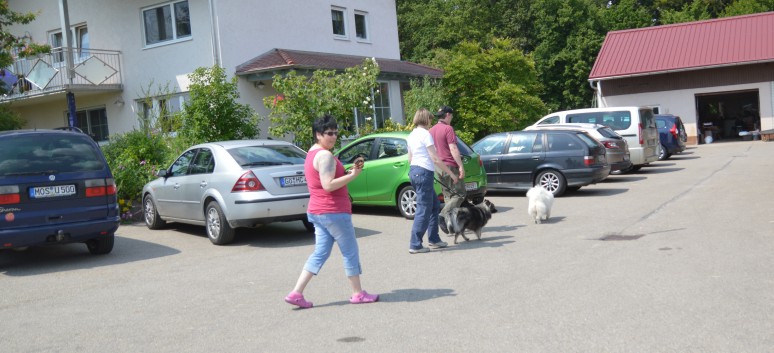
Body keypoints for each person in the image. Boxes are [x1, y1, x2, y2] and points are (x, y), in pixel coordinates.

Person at [284, 115, 378, 309]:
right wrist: (352, 175)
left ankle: (296, 293)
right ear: (318, 134)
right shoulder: (325, 156)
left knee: (320, 253)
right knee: (350, 251)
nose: (333, 136)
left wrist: (346, 173)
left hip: (318, 211)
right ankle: (357, 294)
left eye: (336, 132)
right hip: (333, 211)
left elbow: (323, 181)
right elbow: (328, 185)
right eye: (329, 133)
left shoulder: (313, 152)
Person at [406, 108, 459, 254]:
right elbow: (435, 158)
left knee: (435, 205)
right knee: (423, 208)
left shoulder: (411, 135)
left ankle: (434, 239)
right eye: (430, 119)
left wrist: (419, 171)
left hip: (415, 171)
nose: (431, 122)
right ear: (426, 119)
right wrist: (451, 175)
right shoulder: (425, 134)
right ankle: (415, 244)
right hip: (423, 173)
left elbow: (410, 158)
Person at [429, 105, 466, 233]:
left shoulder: (431, 130)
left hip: (438, 167)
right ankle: (443, 215)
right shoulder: (448, 129)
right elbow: (453, 148)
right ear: (448, 115)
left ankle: (451, 226)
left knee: (448, 196)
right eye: (452, 115)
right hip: (450, 165)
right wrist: (460, 166)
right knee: (460, 194)